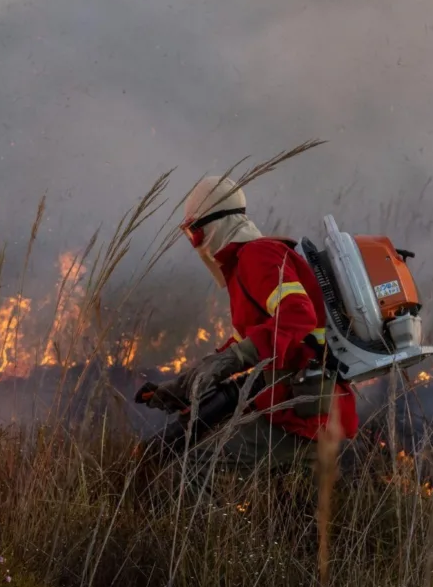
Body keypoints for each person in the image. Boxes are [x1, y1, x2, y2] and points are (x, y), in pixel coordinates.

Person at [136, 176, 359, 471]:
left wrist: (235, 357)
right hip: (293, 406)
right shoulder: (247, 265)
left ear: (213, 227)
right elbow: (254, 341)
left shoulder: (258, 255)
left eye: (194, 233)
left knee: (192, 464)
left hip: (304, 414)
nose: (195, 244)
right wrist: (185, 383)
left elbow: (298, 316)